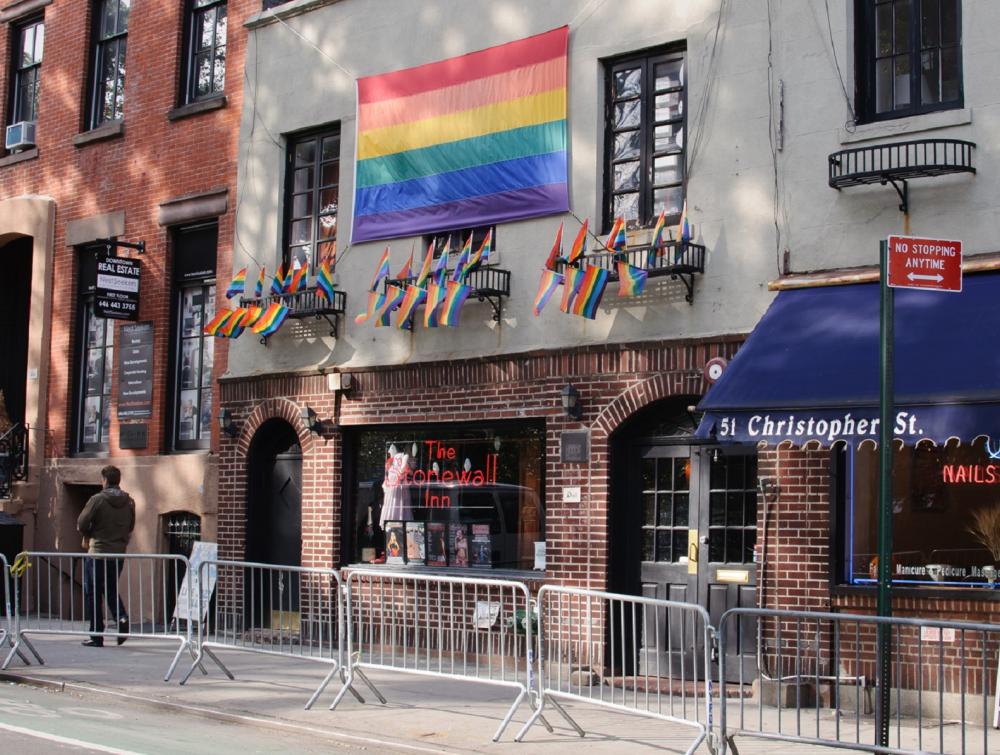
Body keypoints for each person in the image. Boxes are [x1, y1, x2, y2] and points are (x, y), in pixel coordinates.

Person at [77, 465, 135, 647]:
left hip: (98, 552)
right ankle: (122, 618)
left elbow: (81, 523)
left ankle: (96, 635)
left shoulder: (97, 500)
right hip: (118, 553)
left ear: (104, 480)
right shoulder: (129, 501)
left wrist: (89, 533)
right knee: (110, 589)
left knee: (93, 592)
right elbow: (131, 525)